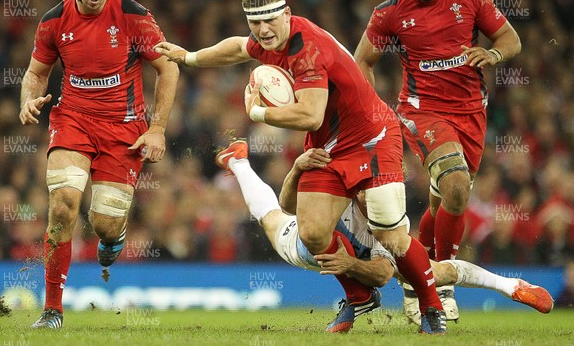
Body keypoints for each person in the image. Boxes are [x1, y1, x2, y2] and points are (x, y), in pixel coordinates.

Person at [155, 0, 447, 334]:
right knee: (311, 232)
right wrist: (189, 57)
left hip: (372, 137)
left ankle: (432, 306)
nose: (262, 30)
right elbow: (236, 48)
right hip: (328, 146)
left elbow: (310, 115)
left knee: (391, 235)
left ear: (287, 14)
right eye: (255, 23)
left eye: (270, 21)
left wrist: (258, 113)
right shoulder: (267, 39)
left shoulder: (307, 49)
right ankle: (359, 296)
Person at [354, 0, 522, 323]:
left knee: (448, 201)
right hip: (421, 111)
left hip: (471, 114)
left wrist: (492, 52)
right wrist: (373, 112)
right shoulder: (390, 11)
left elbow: (511, 39)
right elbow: (363, 61)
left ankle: (417, 274)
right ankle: (441, 283)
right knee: (457, 186)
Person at [215, 139, 554, 332]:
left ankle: (514, 286)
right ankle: (240, 161)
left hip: (356, 256)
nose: (367, 192)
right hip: (307, 244)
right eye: (366, 187)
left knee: (439, 270)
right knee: (273, 219)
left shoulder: (386, 215)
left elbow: (382, 274)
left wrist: (349, 263)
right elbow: (291, 206)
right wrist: (297, 169)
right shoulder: (339, 188)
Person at [19, 0, 179, 328]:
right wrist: (27, 97)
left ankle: (113, 235)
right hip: (72, 119)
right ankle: (53, 309)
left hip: (123, 128)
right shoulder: (54, 20)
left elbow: (167, 69)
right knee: (63, 203)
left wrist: (156, 129)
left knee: (104, 223)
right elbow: (36, 72)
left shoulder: (132, 15)